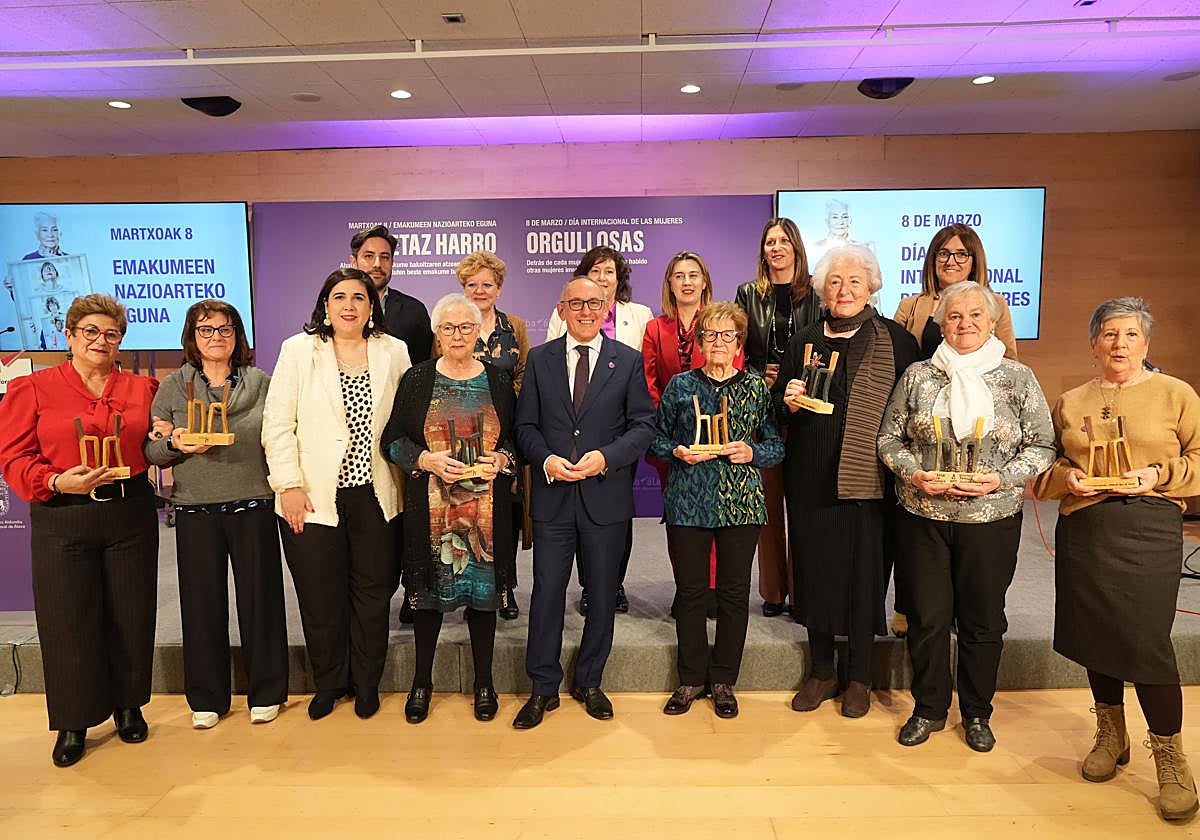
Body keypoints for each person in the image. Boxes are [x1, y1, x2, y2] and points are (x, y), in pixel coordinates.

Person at [1034, 297, 1200, 822]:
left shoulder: (1177, 394)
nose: (1119, 344)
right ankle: (1112, 734)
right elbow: (1044, 469)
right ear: (1093, 344)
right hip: (1086, 527)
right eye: (1109, 334)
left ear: (1147, 343)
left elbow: (1198, 459)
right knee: (1095, 633)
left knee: (1146, 641)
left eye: (1130, 335)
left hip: (1150, 525)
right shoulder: (1069, 401)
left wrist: (1158, 476)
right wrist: (1068, 479)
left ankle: (1171, 757)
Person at [877, 281, 1055, 752]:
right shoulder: (917, 376)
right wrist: (915, 476)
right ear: (940, 324)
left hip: (990, 521)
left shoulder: (1017, 378)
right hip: (923, 517)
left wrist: (1002, 478)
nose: (965, 324)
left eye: (976, 315)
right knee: (927, 617)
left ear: (993, 322)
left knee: (982, 620)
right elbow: (889, 441)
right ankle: (929, 708)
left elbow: (1043, 446)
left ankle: (977, 712)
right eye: (955, 316)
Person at [0, 294, 158, 767]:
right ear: (68, 336)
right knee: (68, 620)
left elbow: (157, 442)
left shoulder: (143, 388)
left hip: (129, 511)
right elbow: (12, 455)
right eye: (90, 331)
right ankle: (73, 721)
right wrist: (52, 480)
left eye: (111, 333)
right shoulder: (33, 388)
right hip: (62, 514)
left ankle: (128, 707)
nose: (100, 341)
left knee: (131, 614)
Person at [262, 268, 411, 721]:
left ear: (372, 307)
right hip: (312, 495)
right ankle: (330, 683)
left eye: (359, 298)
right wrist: (287, 484)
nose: (349, 305)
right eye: (339, 296)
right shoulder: (298, 350)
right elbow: (277, 425)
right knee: (320, 595)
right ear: (325, 305)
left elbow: (407, 420)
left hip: (377, 494)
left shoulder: (394, 350)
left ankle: (366, 684)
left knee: (373, 593)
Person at [778, 244, 920, 719]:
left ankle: (859, 674)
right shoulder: (802, 340)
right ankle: (822, 670)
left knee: (865, 577)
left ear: (871, 287)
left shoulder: (897, 342)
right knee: (815, 573)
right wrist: (790, 400)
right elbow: (780, 406)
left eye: (854, 282)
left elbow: (912, 414)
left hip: (870, 483)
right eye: (835, 282)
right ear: (822, 289)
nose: (844, 291)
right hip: (810, 478)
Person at [512, 276, 655, 729]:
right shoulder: (540, 359)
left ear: (607, 306)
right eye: (577, 303)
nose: (587, 310)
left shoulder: (627, 361)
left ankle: (590, 681)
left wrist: (605, 459)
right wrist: (547, 460)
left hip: (604, 499)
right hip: (553, 499)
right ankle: (542, 687)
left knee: (599, 596)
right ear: (561, 308)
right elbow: (525, 427)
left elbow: (643, 427)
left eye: (595, 303)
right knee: (547, 596)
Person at [145, 300, 288, 730]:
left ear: (238, 336)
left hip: (253, 503)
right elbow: (152, 450)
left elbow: (279, 434)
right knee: (201, 605)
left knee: (261, 601)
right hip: (195, 510)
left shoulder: (262, 383)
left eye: (225, 329)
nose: (216, 337)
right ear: (192, 337)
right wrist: (175, 445)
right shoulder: (172, 387)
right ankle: (207, 697)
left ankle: (267, 692)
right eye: (206, 330)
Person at [384, 293, 517, 724]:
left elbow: (516, 440)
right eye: (448, 328)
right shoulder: (418, 379)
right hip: (433, 513)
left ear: (478, 332)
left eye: (465, 327)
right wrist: (425, 460)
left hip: (487, 514)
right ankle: (421, 683)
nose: (457, 335)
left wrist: (502, 460)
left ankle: (484, 683)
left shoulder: (497, 379)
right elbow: (393, 440)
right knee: (426, 601)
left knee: (483, 602)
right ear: (437, 334)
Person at [651, 301, 783, 718]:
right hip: (688, 501)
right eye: (711, 334)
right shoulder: (679, 387)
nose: (719, 342)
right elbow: (654, 439)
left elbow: (777, 445)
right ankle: (690, 679)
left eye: (728, 335)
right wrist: (675, 450)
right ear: (700, 342)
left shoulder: (756, 388)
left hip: (740, 504)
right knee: (690, 594)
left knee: (732, 594)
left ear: (739, 342)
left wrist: (752, 451)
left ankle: (724, 678)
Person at [546, 247, 652, 615]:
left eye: (610, 271)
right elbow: (552, 375)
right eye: (597, 270)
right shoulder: (563, 318)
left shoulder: (639, 316)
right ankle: (590, 585)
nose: (603, 277)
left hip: (615, 435)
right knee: (569, 523)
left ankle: (610, 582)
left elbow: (644, 378)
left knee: (612, 514)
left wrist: (612, 453)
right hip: (567, 442)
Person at [643, 251, 743, 616]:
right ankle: (688, 587)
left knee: (714, 511)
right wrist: (670, 428)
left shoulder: (721, 322)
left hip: (716, 434)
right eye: (678, 275)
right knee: (681, 518)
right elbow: (649, 382)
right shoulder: (656, 328)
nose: (686, 281)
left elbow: (735, 372)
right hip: (673, 440)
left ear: (704, 281)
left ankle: (713, 589)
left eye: (693, 275)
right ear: (669, 284)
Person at [735, 217, 822, 618]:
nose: (776, 247)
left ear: (796, 248)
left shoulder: (817, 295)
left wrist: (792, 375)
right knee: (768, 506)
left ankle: (806, 590)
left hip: (804, 407)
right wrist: (759, 372)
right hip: (761, 408)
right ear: (763, 250)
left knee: (803, 505)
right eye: (770, 241)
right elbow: (737, 350)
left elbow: (823, 348)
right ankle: (773, 592)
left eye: (783, 240)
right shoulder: (747, 293)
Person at [446, 250, 529, 619]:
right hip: (461, 430)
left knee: (505, 512)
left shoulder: (516, 325)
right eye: (472, 284)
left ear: (499, 288)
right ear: (463, 288)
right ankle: (468, 585)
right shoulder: (452, 324)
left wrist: (512, 417)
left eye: (487, 284)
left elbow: (525, 373)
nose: (479, 290)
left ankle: (504, 587)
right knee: (466, 510)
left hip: (505, 431)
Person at [894, 223, 1018, 361]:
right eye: (943, 254)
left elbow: (1009, 361)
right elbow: (895, 358)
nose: (950, 261)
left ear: (974, 262)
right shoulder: (909, 306)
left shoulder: (997, 303)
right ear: (933, 260)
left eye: (961, 254)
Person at [349, 224, 433, 364]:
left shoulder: (414, 311)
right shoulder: (338, 308)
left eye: (385, 257)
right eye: (369, 256)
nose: (377, 264)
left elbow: (423, 369)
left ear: (392, 262)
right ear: (354, 262)